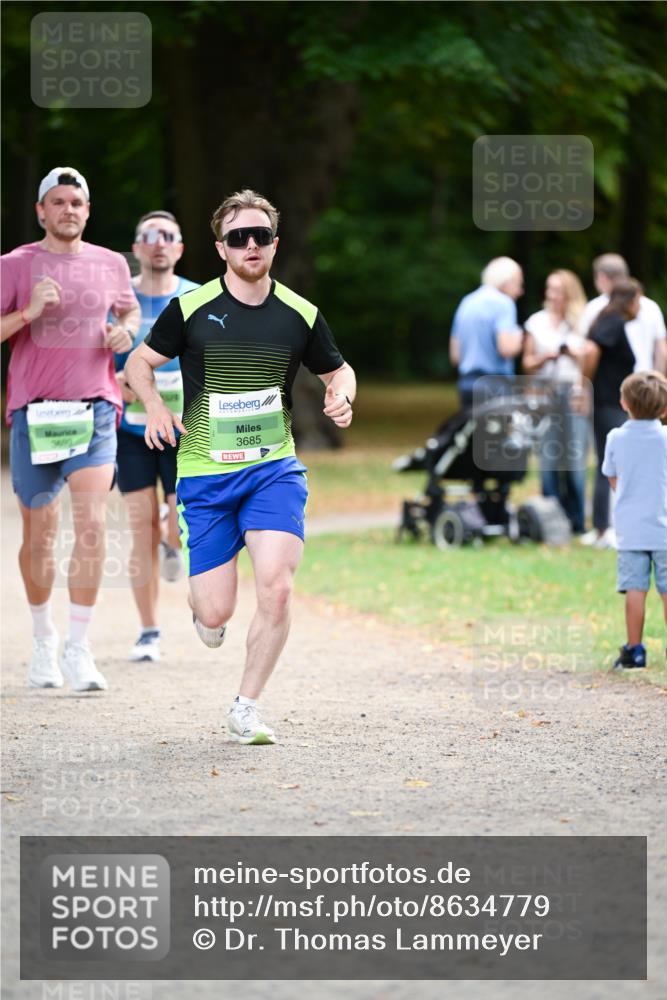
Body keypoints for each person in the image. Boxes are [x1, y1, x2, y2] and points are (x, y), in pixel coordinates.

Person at [125, 188, 356, 744]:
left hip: (273, 468)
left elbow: (339, 370)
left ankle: (246, 707)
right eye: (238, 237)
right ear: (221, 247)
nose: (250, 245)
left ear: (275, 244)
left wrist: (342, 396)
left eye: (260, 236)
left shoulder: (300, 313)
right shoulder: (192, 308)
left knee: (276, 588)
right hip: (204, 475)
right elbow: (138, 362)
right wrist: (155, 405)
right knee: (214, 610)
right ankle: (206, 612)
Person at [0, 167, 140, 691]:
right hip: (36, 414)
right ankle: (43, 640)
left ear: (87, 210)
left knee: (92, 526)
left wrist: (122, 334)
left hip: (96, 410)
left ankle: (80, 649)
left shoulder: (109, 264)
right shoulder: (14, 266)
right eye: (58, 202)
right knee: (40, 534)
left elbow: (128, 317)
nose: (69, 210)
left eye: (77, 202)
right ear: (41, 211)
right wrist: (28, 312)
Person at [114, 211, 199, 664]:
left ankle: (174, 544)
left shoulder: (196, 297)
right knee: (140, 526)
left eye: (168, 236)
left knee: (179, 521)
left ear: (180, 248)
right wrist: (121, 383)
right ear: (137, 246)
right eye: (149, 236)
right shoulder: (118, 299)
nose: (159, 243)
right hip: (130, 430)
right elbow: (95, 360)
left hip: (183, 428)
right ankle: (148, 630)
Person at [601, 371, 667, 669]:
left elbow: (613, 478)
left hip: (631, 529)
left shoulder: (616, 437)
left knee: (635, 589)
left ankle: (635, 650)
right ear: (664, 408)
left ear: (623, 403)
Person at [522, 270, 589, 533]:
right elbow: (526, 362)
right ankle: (552, 521)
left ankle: (577, 520)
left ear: (569, 294)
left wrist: (574, 357)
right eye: (549, 289)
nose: (551, 295)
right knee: (548, 458)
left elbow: (591, 360)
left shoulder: (581, 323)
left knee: (574, 459)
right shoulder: (536, 323)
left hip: (573, 393)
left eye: (557, 290)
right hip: (545, 393)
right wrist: (546, 356)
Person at [582, 279, 643, 549]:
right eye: (638, 299)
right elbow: (591, 349)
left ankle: (602, 526)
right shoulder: (613, 322)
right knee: (614, 462)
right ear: (629, 300)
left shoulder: (609, 319)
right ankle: (607, 528)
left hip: (607, 401)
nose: (640, 306)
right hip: (607, 402)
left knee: (608, 461)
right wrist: (584, 385)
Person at [449, 256, 524, 408]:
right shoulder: (504, 303)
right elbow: (506, 348)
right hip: (495, 386)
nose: (520, 291)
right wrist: (520, 337)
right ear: (506, 281)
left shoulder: (467, 302)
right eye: (518, 284)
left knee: (472, 431)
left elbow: (455, 356)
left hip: (466, 384)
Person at [580, 253, 666, 373]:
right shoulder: (651, 306)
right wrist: (657, 381)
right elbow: (662, 351)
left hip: (609, 383)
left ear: (601, 277)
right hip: (644, 380)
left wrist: (585, 383)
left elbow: (587, 349)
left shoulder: (596, 307)